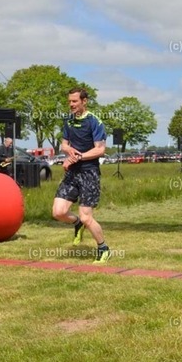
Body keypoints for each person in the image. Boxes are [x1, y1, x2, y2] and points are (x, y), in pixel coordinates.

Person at [52, 87, 111, 263]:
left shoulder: (94, 121)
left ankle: (103, 248)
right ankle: (76, 223)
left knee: (87, 217)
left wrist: (77, 157)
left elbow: (100, 149)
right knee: (58, 212)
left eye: (74, 101)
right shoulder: (68, 121)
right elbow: (64, 144)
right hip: (72, 173)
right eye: (69, 101)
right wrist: (69, 152)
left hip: (89, 173)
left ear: (84, 101)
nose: (71, 105)